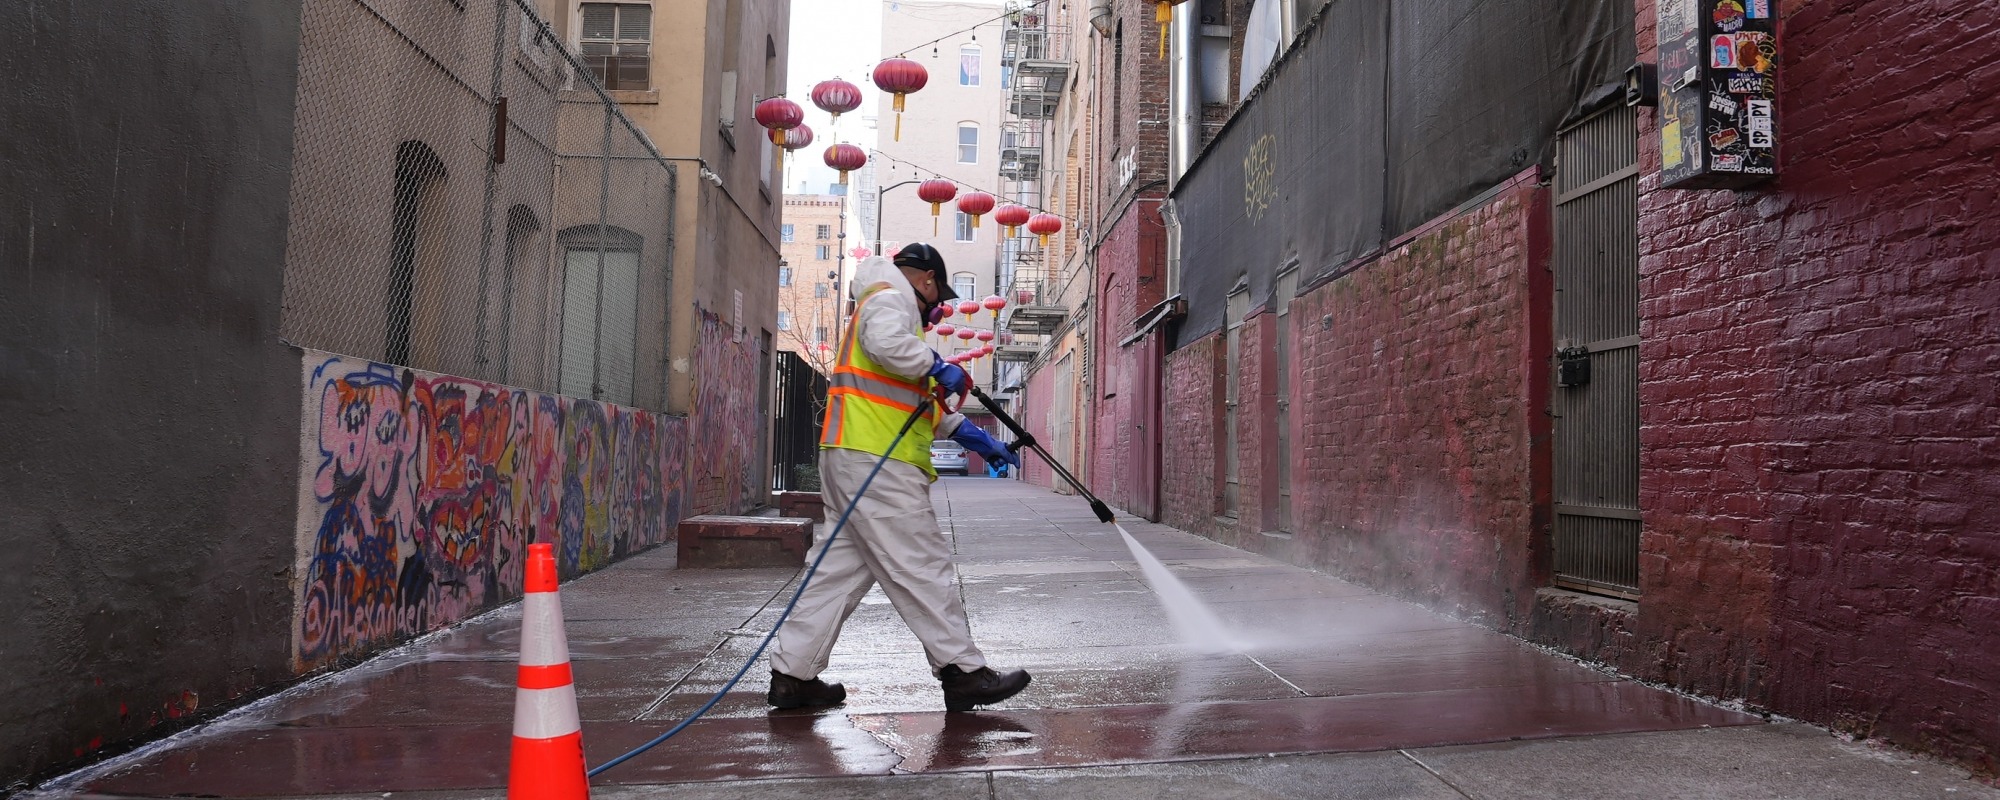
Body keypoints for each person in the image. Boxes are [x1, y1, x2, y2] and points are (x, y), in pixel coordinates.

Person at [768, 243, 1029, 713]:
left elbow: (904, 397)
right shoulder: (892, 297)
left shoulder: (877, 300)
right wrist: (937, 364)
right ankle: (962, 671)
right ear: (926, 280)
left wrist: (966, 431)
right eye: (936, 297)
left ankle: (793, 675)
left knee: (835, 573)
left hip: (851, 453)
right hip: (877, 462)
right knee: (920, 564)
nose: (933, 310)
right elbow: (890, 347)